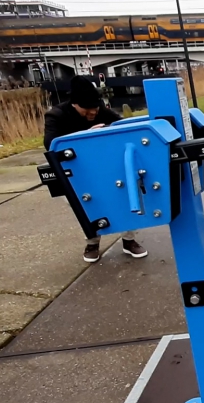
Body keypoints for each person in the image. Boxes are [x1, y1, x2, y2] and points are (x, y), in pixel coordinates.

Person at [44, 76, 148, 263]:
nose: (93, 112)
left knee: (124, 196)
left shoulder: (102, 112)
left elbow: (123, 127)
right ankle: (92, 242)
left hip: (106, 167)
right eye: (87, 108)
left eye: (96, 107)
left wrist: (107, 128)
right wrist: (86, 135)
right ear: (75, 104)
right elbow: (50, 144)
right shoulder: (56, 115)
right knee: (85, 204)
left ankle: (129, 240)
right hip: (78, 171)